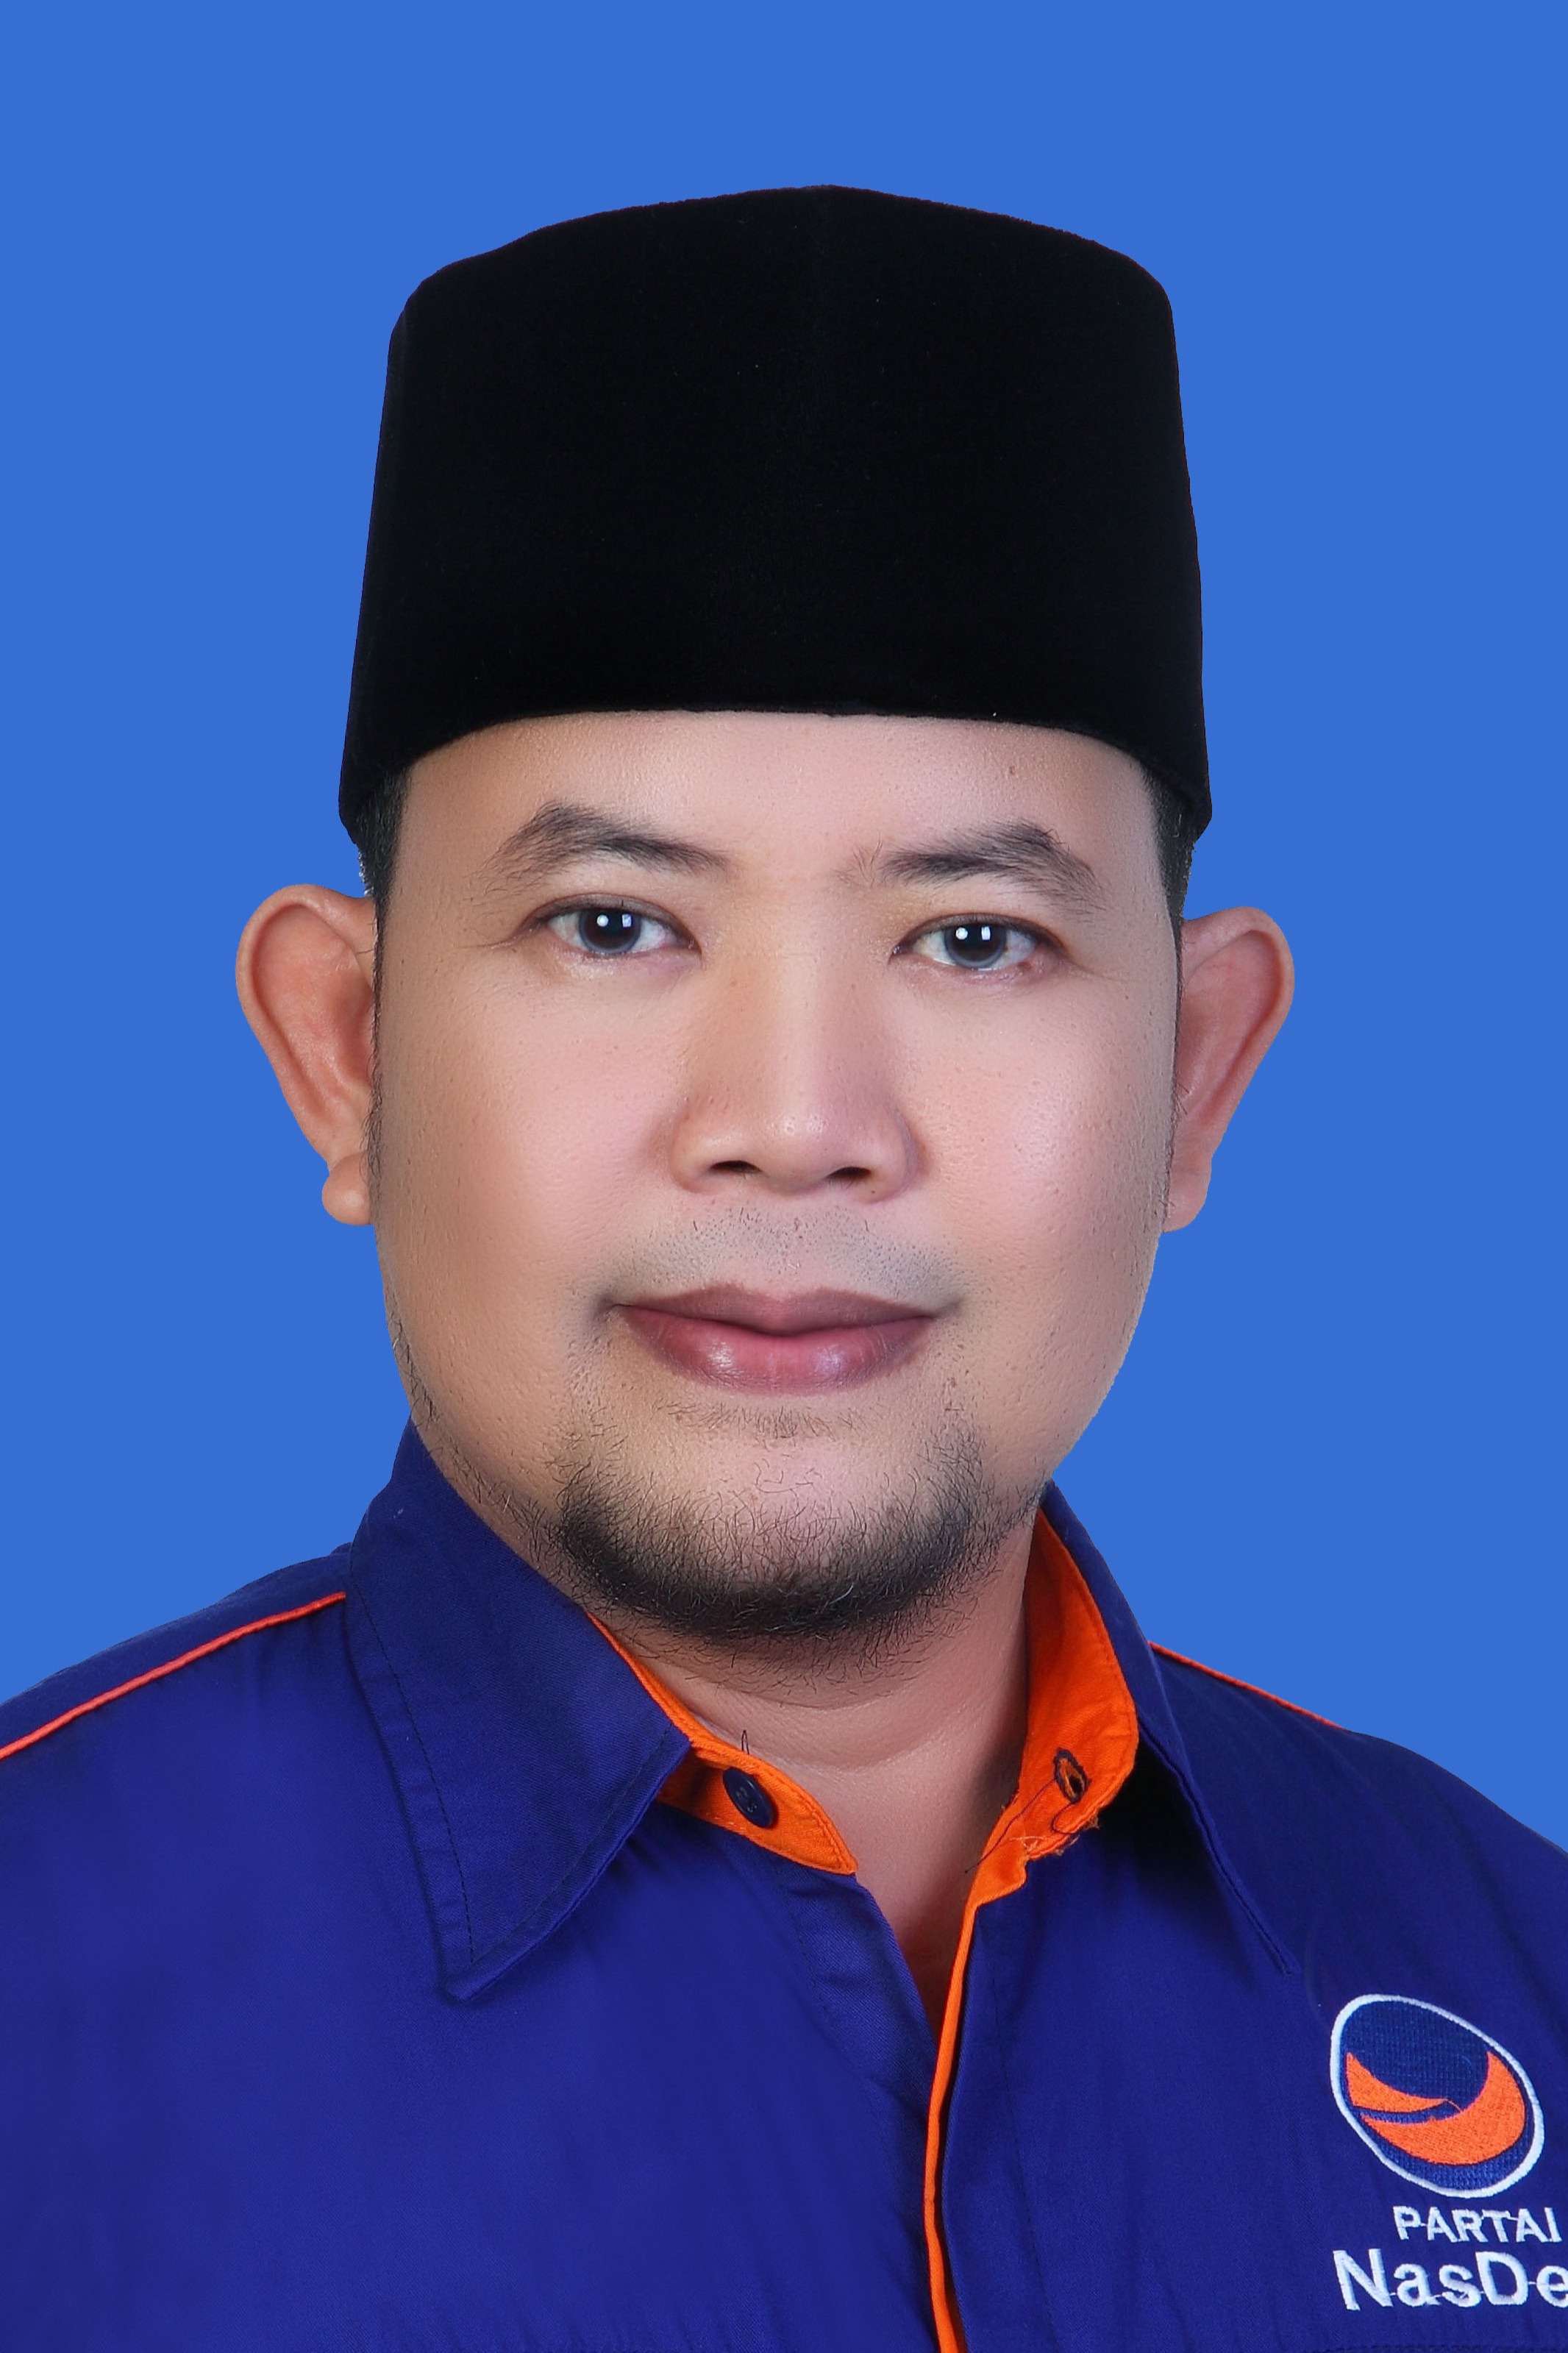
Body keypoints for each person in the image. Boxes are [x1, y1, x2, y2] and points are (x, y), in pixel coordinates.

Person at [3, 186, 1565, 2353]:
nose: (797, 1116)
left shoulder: (1507, 1965)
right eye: (614, 925)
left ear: (1194, 1079)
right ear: (346, 1051)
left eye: (975, 938)